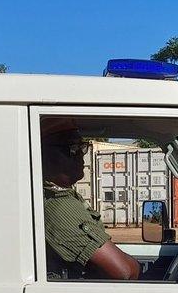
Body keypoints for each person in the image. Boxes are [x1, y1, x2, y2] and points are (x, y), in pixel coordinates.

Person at [41, 119, 140, 280]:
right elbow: (125, 272)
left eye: (81, 147)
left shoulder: (64, 194)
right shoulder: (58, 205)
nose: (81, 154)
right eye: (72, 149)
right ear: (42, 154)